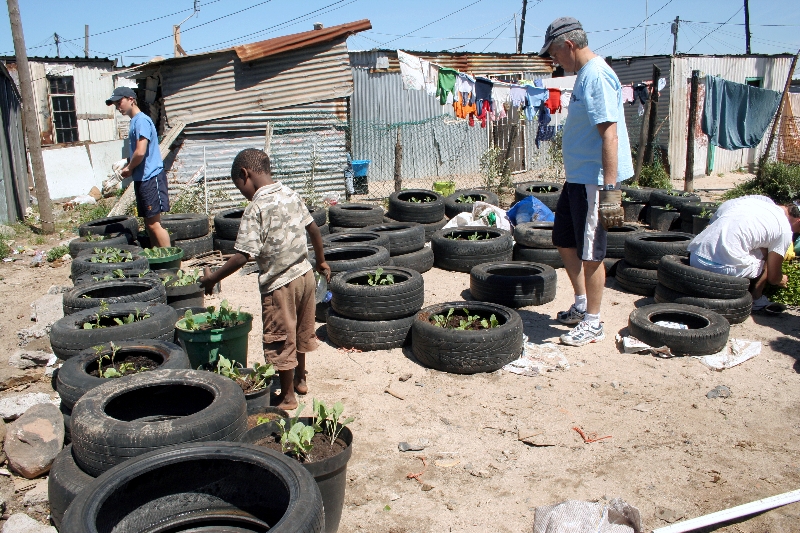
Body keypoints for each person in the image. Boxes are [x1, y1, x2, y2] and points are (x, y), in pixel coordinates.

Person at [199, 148, 330, 410]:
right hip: (305, 275)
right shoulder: (291, 193)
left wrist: (212, 278)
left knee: (281, 338)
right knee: (300, 331)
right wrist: (321, 260)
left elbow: (241, 256)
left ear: (244, 174)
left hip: (279, 285)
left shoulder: (256, 207)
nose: (242, 193)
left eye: (240, 187)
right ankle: (301, 379)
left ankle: (288, 395)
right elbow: (313, 228)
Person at [539, 17, 633, 346]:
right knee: (565, 240)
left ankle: (593, 322)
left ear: (568, 45)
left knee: (591, 252)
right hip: (578, 178)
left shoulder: (597, 74)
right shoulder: (582, 76)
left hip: (595, 181)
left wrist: (610, 191)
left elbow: (610, 135)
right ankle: (581, 305)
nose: (553, 60)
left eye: (553, 52)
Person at [687, 195, 800, 312]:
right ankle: (756, 300)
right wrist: (780, 278)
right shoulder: (784, 230)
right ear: (798, 221)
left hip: (695, 257)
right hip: (721, 269)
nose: (796, 233)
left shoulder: (754, 203)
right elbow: (773, 278)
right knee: (769, 251)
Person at [106, 87, 170, 247]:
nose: (118, 107)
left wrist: (128, 168)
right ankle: (159, 259)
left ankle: (171, 263)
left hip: (151, 177)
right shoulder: (135, 122)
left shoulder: (141, 121)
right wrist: (126, 161)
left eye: (119, 102)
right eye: (115, 104)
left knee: (154, 225)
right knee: (150, 225)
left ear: (131, 99)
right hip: (143, 178)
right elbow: (141, 152)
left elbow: (141, 152)